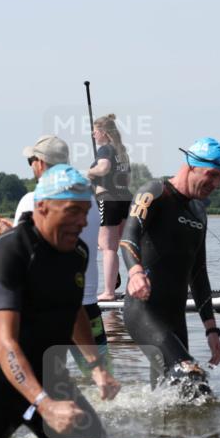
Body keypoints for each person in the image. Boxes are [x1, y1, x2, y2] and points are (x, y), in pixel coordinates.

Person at [0, 164, 119, 438]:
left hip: (51, 379)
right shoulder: (11, 251)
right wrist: (44, 405)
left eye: (86, 212)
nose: (82, 222)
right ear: (42, 207)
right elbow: (4, 344)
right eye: (73, 211)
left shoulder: (77, 253)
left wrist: (96, 366)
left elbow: (74, 313)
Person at [119, 137, 220, 398]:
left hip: (175, 320)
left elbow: (199, 274)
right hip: (144, 313)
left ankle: (160, 436)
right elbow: (128, 235)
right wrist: (134, 272)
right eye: (211, 175)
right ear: (190, 165)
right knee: (192, 377)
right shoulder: (154, 192)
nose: (216, 184)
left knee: (176, 398)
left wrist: (211, 330)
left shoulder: (199, 212)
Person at [0, 135, 108, 372]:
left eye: (31, 161)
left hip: (46, 309)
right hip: (88, 306)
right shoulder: (90, 201)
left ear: (41, 164)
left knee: (46, 379)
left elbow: (27, 254)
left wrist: (7, 235)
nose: (32, 166)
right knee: (103, 378)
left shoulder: (31, 201)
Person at [86, 114, 132, 301]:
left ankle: (108, 292)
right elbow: (127, 177)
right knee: (124, 245)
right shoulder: (122, 151)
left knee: (107, 248)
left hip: (108, 199)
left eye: (95, 131)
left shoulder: (105, 149)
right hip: (125, 199)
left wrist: (90, 172)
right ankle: (131, 284)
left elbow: (103, 168)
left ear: (104, 133)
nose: (93, 135)